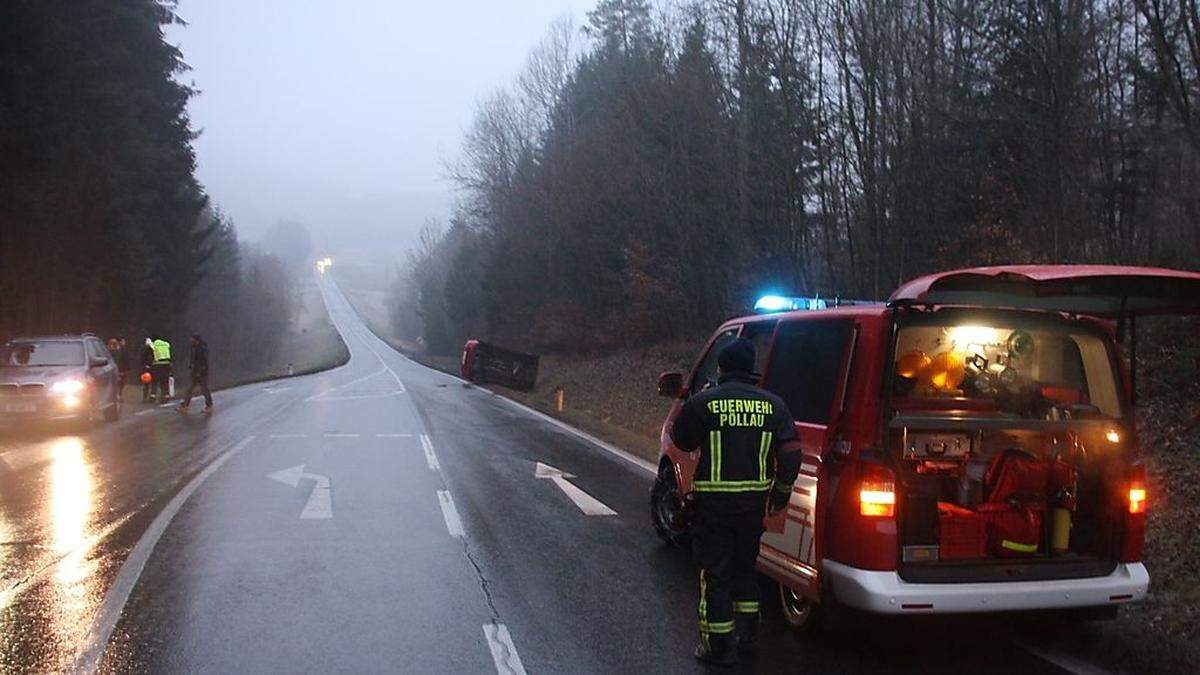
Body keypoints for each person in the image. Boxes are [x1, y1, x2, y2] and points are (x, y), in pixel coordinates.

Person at [670, 338, 802, 666]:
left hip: (713, 507)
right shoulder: (774, 405)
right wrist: (781, 493)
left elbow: (681, 440)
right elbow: (791, 455)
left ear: (722, 368)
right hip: (752, 507)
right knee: (745, 570)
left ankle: (717, 647)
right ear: (751, 369)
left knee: (715, 574)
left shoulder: (705, 403)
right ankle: (748, 639)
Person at [177, 333, 212, 414]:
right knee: (190, 389)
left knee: (204, 389)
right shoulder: (194, 348)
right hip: (195, 372)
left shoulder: (202, 348)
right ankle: (185, 405)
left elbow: (203, 361)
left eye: (192, 339)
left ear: (196, 340)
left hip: (201, 373)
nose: (190, 340)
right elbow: (193, 360)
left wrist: (200, 371)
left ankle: (209, 405)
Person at [150, 335, 172, 403]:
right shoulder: (166, 344)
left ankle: (153, 397)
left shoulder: (153, 345)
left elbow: (149, 354)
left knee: (155, 381)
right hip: (167, 364)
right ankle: (165, 397)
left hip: (157, 365)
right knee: (164, 381)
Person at [141, 338, 155, 403]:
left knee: (146, 383)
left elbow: (142, 359)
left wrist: (145, 366)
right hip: (152, 368)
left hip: (146, 368)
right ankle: (151, 397)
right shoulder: (153, 349)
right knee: (152, 383)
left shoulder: (144, 350)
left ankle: (145, 397)